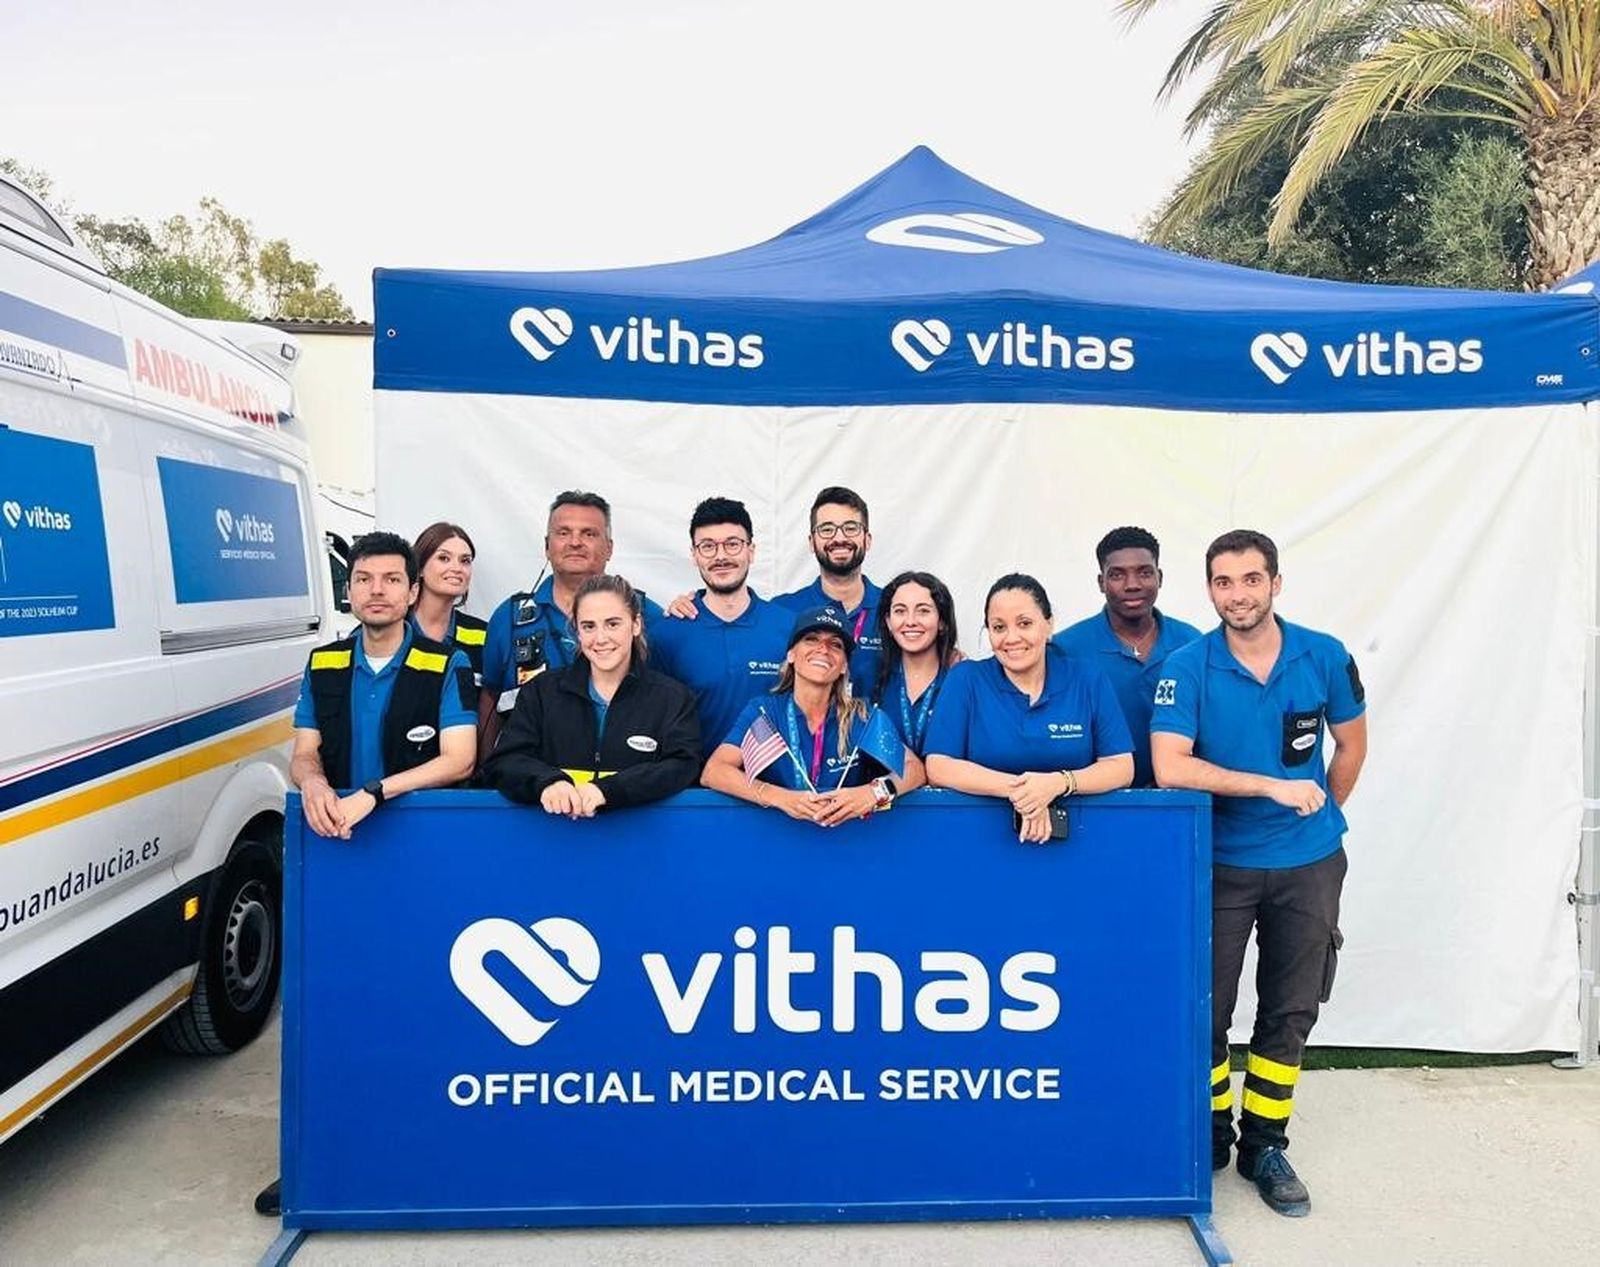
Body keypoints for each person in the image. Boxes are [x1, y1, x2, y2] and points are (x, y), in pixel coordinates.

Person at [1151, 529, 1367, 1219]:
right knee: (1204, 1009)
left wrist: (1316, 813)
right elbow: (1170, 764)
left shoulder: (1323, 654)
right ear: (1209, 588)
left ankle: (1265, 1145)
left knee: (1291, 1009)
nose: (1237, 594)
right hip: (1218, 861)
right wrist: (1271, 788)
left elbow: (1352, 741)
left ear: (1276, 582)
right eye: (1223, 581)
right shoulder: (1188, 666)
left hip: (1309, 864)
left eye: (1250, 579)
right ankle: (1212, 1135)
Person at [261, 531, 476, 1216]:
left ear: (414, 590)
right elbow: (304, 751)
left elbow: (460, 758)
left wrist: (375, 791)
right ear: (348, 589)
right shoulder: (323, 660)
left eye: (391, 578)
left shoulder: (447, 662)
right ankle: (311, 1162)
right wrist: (316, 782)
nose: (376, 589)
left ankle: (427, 1152)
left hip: (416, 855)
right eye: (364, 578)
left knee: (422, 1003)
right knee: (328, 1007)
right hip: (336, 851)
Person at [924, 574, 1134, 843]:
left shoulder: (1087, 679)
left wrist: (1058, 783)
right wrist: (1026, 793)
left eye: (1024, 624)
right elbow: (940, 765)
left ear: (1048, 625)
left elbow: (1121, 766)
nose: (1012, 638)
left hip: (1082, 842)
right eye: (999, 627)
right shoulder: (966, 679)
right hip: (979, 841)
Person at [483, 575, 700, 815]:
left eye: (613, 624)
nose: (601, 638)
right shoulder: (541, 692)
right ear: (576, 630)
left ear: (636, 624)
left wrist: (608, 791)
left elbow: (682, 766)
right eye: (589, 626)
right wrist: (547, 782)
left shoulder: (673, 698)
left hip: (640, 843)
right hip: (556, 840)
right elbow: (504, 762)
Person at [478, 491, 663, 764]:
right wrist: (485, 777)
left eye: (589, 534)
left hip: (622, 788)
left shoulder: (646, 613)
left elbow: (669, 698)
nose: (575, 542)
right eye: (564, 532)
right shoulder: (509, 618)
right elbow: (490, 698)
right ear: (547, 545)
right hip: (531, 787)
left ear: (609, 547)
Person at [702, 606, 914, 825]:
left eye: (836, 644)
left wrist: (872, 793)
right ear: (791, 654)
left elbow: (913, 768)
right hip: (778, 840)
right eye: (811, 639)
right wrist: (779, 797)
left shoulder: (861, 715)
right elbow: (714, 770)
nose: (823, 649)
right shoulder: (765, 713)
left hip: (849, 843)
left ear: (844, 665)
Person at [1053, 526, 1201, 787]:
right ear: (1101, 582)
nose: (1132, 585)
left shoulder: (1191, 643)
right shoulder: (1067, 649)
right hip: (1094, 801)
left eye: (1144, 573)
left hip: (1179, 799)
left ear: (1160, 577)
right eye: (1118, 575)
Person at [650, 497, 795, 759]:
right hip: (694, 792)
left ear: (751, 551)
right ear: (694, 555)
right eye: (707, 546)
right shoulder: (667, 634)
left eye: (732, 544)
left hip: (777, 790)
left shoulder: (788, 627)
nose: (721, 556)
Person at [770, 486, 884, 700]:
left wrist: (947, 654)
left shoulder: (895, 609)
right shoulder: (781, 610)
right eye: (826, 529)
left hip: (878, 732)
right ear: (812, 542)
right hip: (803, 732)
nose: (839, 538)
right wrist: (694, 602)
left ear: (867, 540)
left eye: (851, 528)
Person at [873, 570, 962, 760]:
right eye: (900, 611)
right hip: (888, 788)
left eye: (923, 611)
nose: (911, 621)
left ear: (942, 622)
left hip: (951, 787)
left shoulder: (962, 678)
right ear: (888, 622)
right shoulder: (873, 677)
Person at [409, 520, 488, 687]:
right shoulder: (392, 630)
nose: (457, 568)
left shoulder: (484, 636)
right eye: (444, 558)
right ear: (420, 567)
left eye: (465, 560)